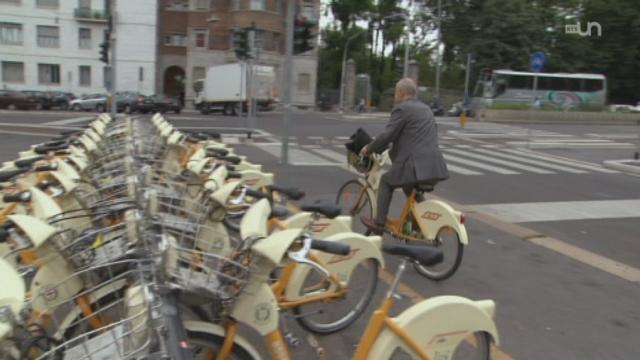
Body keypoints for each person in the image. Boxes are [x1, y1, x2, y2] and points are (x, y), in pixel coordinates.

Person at [360, 78, 449, 235]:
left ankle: (379, 223)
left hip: (415, 166)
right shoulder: (426, 109)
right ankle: (423, 221)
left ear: (401, 93)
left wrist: (369, 149)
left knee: (386, 181)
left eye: (396, 92)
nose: (395, 95)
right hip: (435, 165)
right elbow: (421, 135)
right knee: (409, 187)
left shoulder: (402, 109)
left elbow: (388, 135)